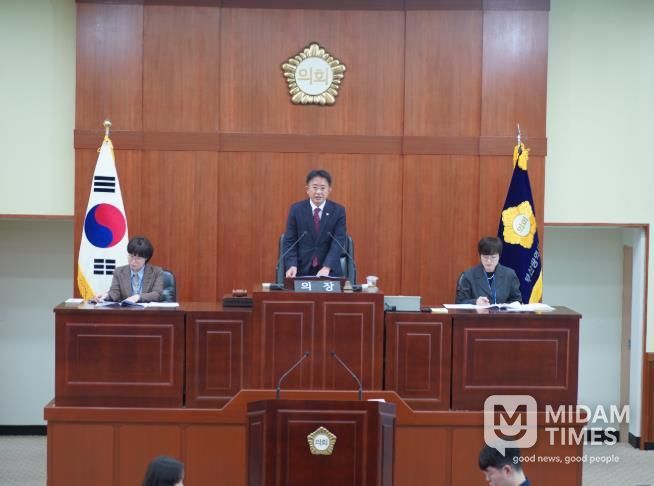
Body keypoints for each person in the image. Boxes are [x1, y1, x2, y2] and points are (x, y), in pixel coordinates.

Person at [283, 169, 347, 278]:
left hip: (329, 270)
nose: (318, 192)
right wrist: (292, 265)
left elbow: (338, 242)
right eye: (315, 187)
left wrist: (327, 267)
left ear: (329, 190)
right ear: (307, 189)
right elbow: (290, 241)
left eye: (322, 188)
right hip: (300, 270)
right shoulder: (296, 210)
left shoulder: (338, 211)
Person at [95, 236, 164, 303]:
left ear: (146, 258)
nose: (133, 261)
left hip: (147, 310)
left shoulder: (156, 272)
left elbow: (157, 294)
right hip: (126, 310)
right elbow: (115, 293)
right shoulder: (119, 271)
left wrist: (138, 297)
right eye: (131, 256)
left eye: (138, 258)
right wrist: (106, 295)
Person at [455, 236, 522, 305]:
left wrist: (505, 306)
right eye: (485, 257)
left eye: (493, 257)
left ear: (499, 256)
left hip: (501, 312)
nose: (489, 261)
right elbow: (460, 303)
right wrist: (475, 302)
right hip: (477, 312)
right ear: (480, 256)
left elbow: (517, 301)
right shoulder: (468, 276)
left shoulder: (509, 275)